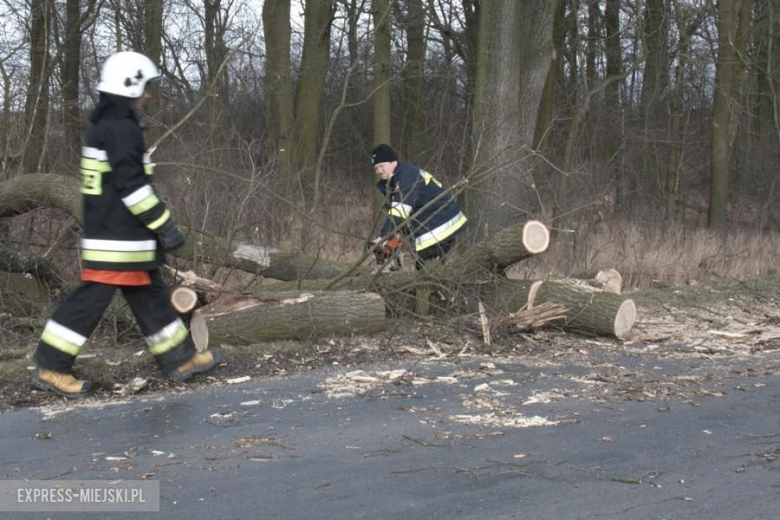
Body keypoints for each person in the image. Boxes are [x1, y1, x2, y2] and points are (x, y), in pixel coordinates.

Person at [32, 51, 220, 398]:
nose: (147, 94)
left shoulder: (105, 125)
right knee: (89, 302)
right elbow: (132, 188)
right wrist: (164, 225)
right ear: (128, 86)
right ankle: (51, 365)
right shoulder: (120, 130)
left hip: (117, 235)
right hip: (118, 240)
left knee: (150, 295)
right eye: (144, 87)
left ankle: (179, 359)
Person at [371, 144, 467, 270]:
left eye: (382, 166)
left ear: (393, 162)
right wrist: (396, 236)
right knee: (427, 267)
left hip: (439, 223)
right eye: (376, 168)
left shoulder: (405, 178)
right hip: (432, 222)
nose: (379, 171)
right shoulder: (396, 179)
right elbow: (406, 213)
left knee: (425, 268)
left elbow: (399, 212)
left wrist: (383, 237)